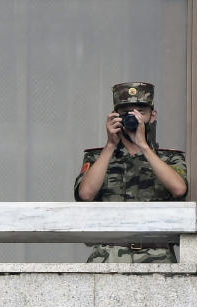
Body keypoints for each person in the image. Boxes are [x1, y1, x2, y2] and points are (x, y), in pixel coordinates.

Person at [75, 82, 188, 263]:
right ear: (115, 116)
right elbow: (86, 194)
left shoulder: (168, 158)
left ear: (152, 116)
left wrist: (143, 145)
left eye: (141, 112)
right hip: (107, 256)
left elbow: (179, 189)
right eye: (127, 112)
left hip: (157, 257)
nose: (134, 118)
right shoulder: (97, 157)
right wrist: (110, 144)